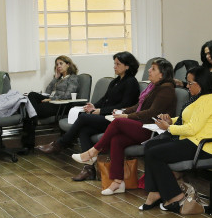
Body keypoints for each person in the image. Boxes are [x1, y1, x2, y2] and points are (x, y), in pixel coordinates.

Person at [72, 59, 177, 195]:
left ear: (162, 75)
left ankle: (93, 152)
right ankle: (118, 182)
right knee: (117, 140)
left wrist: (126, 117)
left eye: (153, 69)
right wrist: (123, 111)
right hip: (143, 125)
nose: (149, 71)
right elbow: (138, 107)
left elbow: (151, 113)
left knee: (118, 123)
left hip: (153, 130)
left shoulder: (166, 89)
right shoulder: (154, 87)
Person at [36, 52, 141, 182]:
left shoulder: (131, 82)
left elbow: (125, 105)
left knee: (83, 118)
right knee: (84, 130)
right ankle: (89, 170)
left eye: (118, 64)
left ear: (127, 66)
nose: (114, 66)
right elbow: (104, 99)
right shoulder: (115, 81)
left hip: (117, 120)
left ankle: (60, 144)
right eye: (114, 63)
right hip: (107, 116)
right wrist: (93, 106)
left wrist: (100, 110)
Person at [139, 67, 212, 212]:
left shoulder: (209, 100)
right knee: (150, 146)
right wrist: (170, 121)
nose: (187, 86)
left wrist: (169, 128)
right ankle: (155, 192)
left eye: (190, 83)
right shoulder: (199, 98)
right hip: (190, 140)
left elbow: (192, 128)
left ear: (201, 83)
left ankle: (174, 196)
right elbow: (187, 119)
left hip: (201, 146)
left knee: (155, 153)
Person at [21, 55, 79, 149]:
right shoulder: (59, 79)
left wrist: (51, 99)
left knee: (29, 112)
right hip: (51, 102)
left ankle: (28, 142)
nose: (58, 66)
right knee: (31, 95)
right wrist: (55, 78)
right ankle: (33, 118)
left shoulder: (73, 78)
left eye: (61, 63)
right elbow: (47, 91)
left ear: (68, 64)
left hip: (60, 105)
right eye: (57, 64)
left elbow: (67, 96)